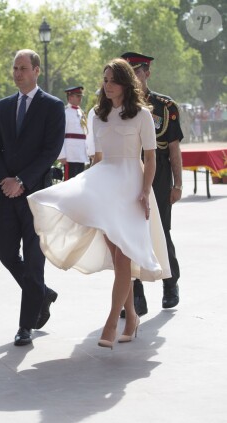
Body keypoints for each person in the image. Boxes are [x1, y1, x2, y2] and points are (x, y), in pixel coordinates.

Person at [28, 58, 171, 348]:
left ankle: (111, 322)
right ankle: (131, 316)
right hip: (106, 185)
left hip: (132, 187)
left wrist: (145, 191)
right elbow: (98, 159)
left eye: (112, 80)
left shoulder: (142, 115)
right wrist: (88, 190)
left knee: (124, 255)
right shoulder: (97, 115)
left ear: (125, 83)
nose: (106, 85)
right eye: (104, 80)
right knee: (118, 253)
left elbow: (151, 157)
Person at [0, 49, 65, 346]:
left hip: (36, 196)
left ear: (36, 70)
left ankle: (25, 325)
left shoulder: (52, 106)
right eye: (14, 68)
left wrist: (22, 180)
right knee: (5, 251)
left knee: (34, 262)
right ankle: (42, 294)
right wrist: (6, 181)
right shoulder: (4, 107)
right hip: (7, 195)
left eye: (23, 68)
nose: (17, 73)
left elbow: (50, 151)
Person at [121, 52, 183, 316]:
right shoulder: (118, 106)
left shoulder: (165, 106)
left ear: (147, 72)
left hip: (157, 173)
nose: (133, 77)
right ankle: (136, 296)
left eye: (136, 71)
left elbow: (174, 149)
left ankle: (170, 283)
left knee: (161, 231)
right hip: (127, 171)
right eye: (128, 72)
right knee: (129, 235)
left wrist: (177, 183)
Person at [58, 86, 91, 179]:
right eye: (78, 96)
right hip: (70, 155)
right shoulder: (65, 113)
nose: (80, 98)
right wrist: (62, 155)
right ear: (70, 97)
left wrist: (88, 151)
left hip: (81, 154)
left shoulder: (81, 112)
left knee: (78, 182)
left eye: (81, 96)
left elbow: (85, 134)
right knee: (69, 182)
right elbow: (60, 135)